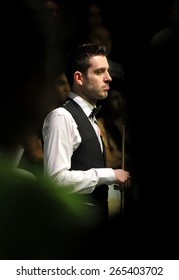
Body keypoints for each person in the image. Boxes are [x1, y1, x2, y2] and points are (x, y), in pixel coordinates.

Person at [42, 43, 130, 225]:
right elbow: (56, 181)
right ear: (79, 78)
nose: (109, 78)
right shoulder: (62, 117)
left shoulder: (90, 118)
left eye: (107, 71)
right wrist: (109, 175)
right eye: (99, 72)